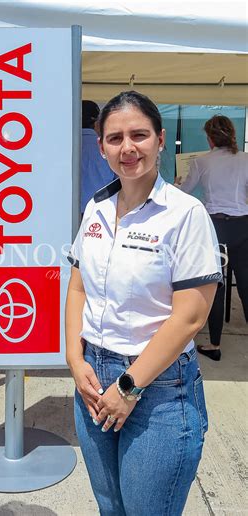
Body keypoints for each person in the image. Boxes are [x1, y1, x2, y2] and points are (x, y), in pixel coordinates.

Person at [66, 91, 221, 516]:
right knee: (110, 507)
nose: (127, 147)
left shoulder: (185, 214)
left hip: (157, 390)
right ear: (101, 146)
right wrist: (73, 357)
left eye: (139, 135)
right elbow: (77, 285)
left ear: (159, 139)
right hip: (93, 381)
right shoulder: (95, 208)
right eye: (115, 138)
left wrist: (129, 386)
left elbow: (189, 318)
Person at [179, 115, 248, 361]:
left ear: (209, 139)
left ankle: (215, 344)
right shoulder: (246, 160)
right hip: (243, 226)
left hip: (215, 228)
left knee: (215, 286)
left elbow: (185, 191)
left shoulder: (201, 161)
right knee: (246, 285)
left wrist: (177, 184)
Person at [81, 100, 116, 215]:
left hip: (66, 214)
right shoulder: (110, 147)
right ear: (97, 123)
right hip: (100, 213)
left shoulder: (63, 147)